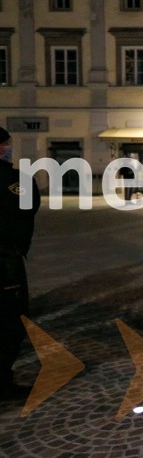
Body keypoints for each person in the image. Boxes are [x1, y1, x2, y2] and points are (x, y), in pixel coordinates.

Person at [0, 127, 40, 401]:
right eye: (7, 145)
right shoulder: (14, 179)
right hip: (5, 261)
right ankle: (3, 382)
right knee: (11, 323)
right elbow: (28, 205)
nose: (10, 149)